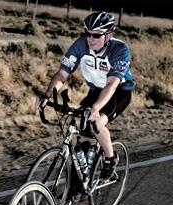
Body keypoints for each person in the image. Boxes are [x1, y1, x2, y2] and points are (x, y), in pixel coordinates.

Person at [38, 11, 134, 180]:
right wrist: (47, 95)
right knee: (82, 131)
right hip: (96, 91)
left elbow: (112, 84)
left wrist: (96, 109)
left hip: (119, 91)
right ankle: (80, 180)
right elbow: (62, 74)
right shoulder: (81, 45)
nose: (90, 39)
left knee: (95, 123)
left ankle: (111, 159)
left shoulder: (119, 49)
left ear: (108, 35)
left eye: (96, 35)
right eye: (87, 33)